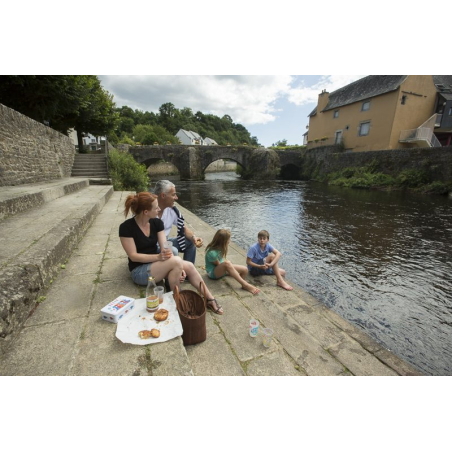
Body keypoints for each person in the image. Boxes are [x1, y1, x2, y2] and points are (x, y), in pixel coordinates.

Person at [119, 192, 223, 313]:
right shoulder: (126, 228)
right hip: (139, 271)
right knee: (177, 262)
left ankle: (210, 299)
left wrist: (177, 264)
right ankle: (178, 300)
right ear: (145, 212)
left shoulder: (156, 222)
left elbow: (165, 247)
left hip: (155, 265)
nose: (159, 209)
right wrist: (160, 257)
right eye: (156, 207)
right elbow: (134, 256)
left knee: (188, 266)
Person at [154, 180, 201, 265]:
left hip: (165, 242)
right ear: (163, 195)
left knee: (190, 242)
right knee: (173, 250)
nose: (176, 198)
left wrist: (194, 237)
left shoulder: (172, 210)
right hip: (151, 246)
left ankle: (187, 273)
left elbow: (183, 228)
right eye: (173, 195)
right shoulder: (148, 210)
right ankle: (172, 275)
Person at [205, 229, 260, 298]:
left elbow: (222, 263)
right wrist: (229, 267)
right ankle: (245, 284)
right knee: (227, 263)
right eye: (229, 239)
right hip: (212, 273)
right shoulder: (212, 253)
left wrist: (230, 268)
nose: (229, 240)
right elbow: (219, 265)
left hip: (221, 268)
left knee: (245, 269)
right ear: (223, 241)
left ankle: (243, 285)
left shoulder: (221, 248)